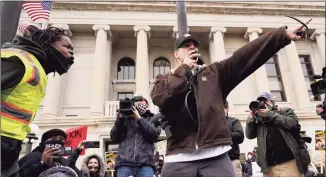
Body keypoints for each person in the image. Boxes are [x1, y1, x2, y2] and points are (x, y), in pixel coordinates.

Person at [150, 17, 312, 177]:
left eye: (194, 45)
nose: (192, 47)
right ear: (176, 54)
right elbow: (161, 98)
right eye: (186, 46)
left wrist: (282, 35)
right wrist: (184, 69)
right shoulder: (163, 80)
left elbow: (246, 56)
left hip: (216, 157)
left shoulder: (214, 73)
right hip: (179, 157)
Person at [1, 22, 74, 177]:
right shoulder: (20, 61)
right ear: (48, 44)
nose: (71, 54)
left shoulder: (38, 70)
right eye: (67, 47)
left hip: (10, 147)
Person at [246, 92, 306, 177]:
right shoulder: (257, 119)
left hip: (288, 162)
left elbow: (292, 124)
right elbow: (249, 135)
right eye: (260, 102)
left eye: (265, 101)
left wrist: (270, 114)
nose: (262, 104)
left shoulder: (284, 111)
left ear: (272, 102)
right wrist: (251, 118)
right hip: (268, 167)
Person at [110, 93, 162, 177]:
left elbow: (154, 134)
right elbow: (114, 137)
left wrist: (139, 119)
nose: (139, 103)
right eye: (136, 101)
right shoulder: (125, 118)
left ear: (147, 104)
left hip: (146, 164)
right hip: (124, 164)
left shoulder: (153, 118)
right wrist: (120, 118)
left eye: (141, 100)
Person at [224, 101, 244, 177]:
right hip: (216, 162)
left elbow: (240, 136)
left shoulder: (234, 121)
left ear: (227, 109)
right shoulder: (211, 123)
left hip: (232, 161)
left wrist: (222, 133)